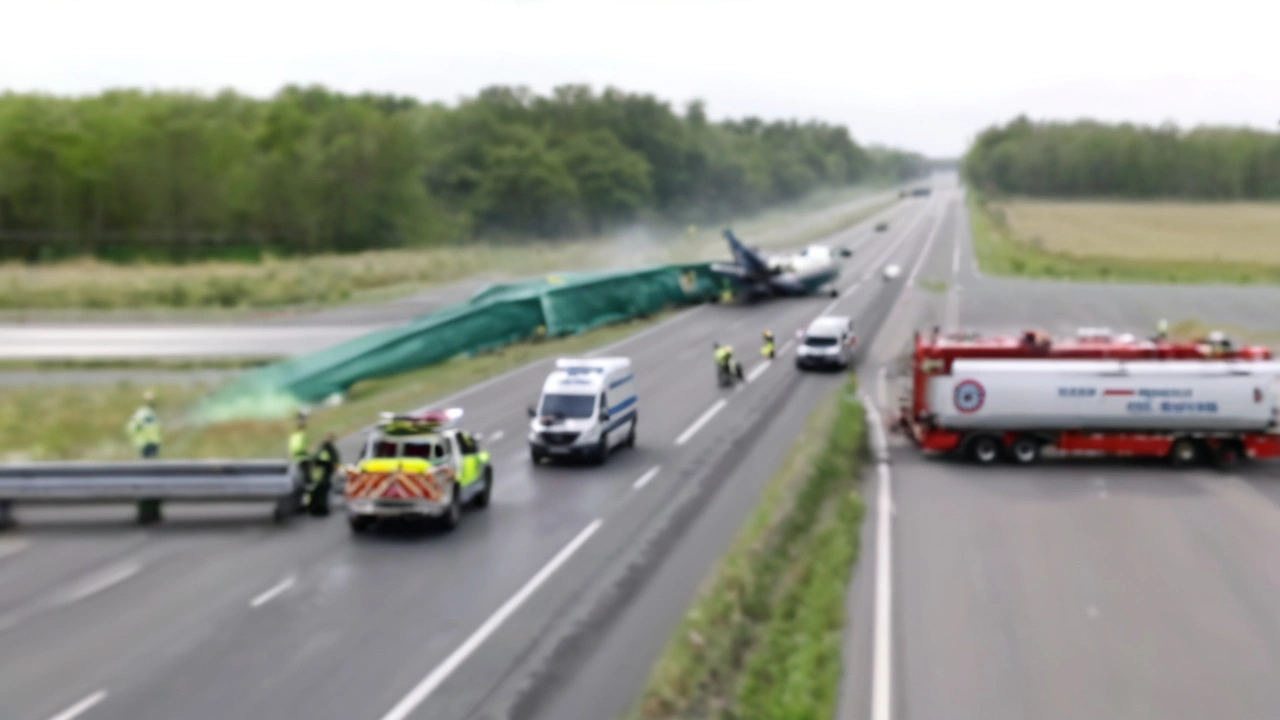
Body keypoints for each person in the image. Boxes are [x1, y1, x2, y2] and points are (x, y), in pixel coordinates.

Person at [304, 432, 339, 516]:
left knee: (319, 491)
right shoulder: (327, 448)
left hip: (322, 473)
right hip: (322, 474)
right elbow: (329, 460)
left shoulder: (325, 448)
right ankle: (320, 508)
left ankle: (316, 508)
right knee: (321, 491)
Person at [126, 391, 162, 459]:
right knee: (147, 464)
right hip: (145, 444)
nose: (153, 403)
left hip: (152, 443)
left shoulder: (151, 413)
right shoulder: (143, 413)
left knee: (152, 465)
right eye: (151, 401)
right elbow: (132, 427)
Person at [289, 413, 311, 509]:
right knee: (307, 483)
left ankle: (299, 502)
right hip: (303, 460)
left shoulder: (293, 436)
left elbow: (292, 450)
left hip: (295, 460)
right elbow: (301, 448)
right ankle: (306, 502)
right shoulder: (302, 435)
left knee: (298, 481)